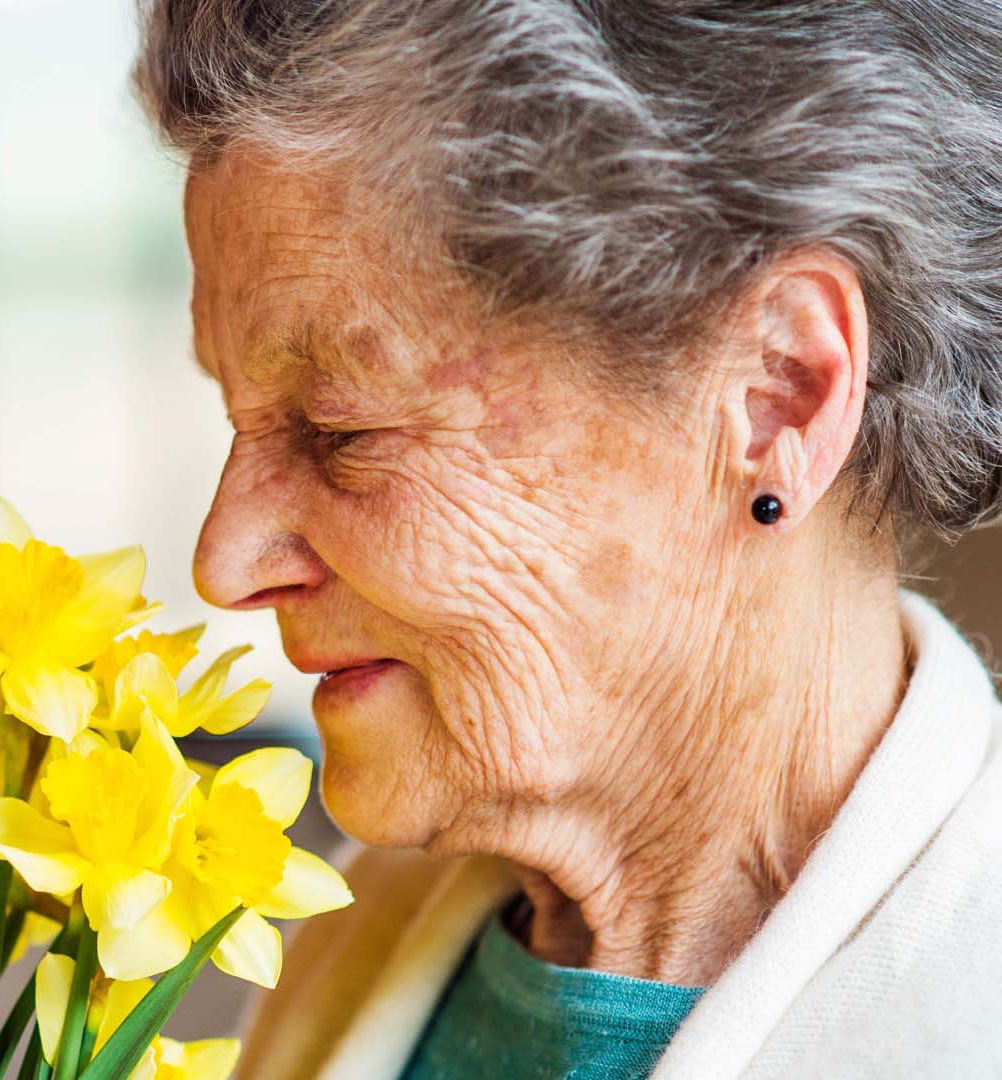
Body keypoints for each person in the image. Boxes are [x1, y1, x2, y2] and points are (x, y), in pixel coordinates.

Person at [131, 2, 1002, 1076]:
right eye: (240, 416)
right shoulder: (344, 947)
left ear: (778, 391)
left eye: (342, 426)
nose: (224, 563)